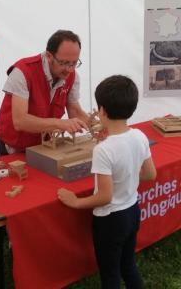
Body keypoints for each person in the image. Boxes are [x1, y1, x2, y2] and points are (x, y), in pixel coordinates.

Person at [58, 75, 156, 289]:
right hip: (132, 211)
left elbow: (104, 197)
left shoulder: (103, 149)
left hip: (110, 220)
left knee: (110, 275)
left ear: (101, 110)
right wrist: (127, 173)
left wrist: (75, 201)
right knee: (128, 265)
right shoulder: (140, 135)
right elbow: (149, 174)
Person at [0, 29, 90, 155]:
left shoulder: (72, 76)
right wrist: (60, 123)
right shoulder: (23, 72)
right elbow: (20, 121)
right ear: (49, 56)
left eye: (74, 63)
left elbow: (75, 111)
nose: (69, 69)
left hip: (43, 147)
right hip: (13, 147)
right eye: (64, 63)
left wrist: (99, 126)